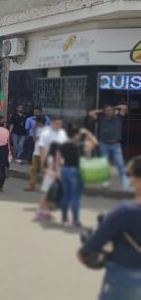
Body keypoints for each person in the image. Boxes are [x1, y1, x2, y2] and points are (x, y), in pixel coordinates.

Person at [78, 155, 141, 300]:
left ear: (137, 179)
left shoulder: (125, 211)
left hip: (124, 275)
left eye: (128, 174)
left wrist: (82, 253)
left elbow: (98, 238)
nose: (128, 180)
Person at [90, 104, 131, 191]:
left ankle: (125, 182)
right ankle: (106, 181)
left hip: (115, 145)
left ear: (112, 110)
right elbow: (91, 113)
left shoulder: (118, 117)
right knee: (105, 164)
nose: (109, 111)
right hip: (104, 144)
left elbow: (124, 107)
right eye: (107, 110)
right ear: (104, 112)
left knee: (120, 164)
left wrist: (114, 107)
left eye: (110, 110)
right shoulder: (101, 119)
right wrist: (102, 110)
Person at [54, 126, 86, 226]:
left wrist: (58, 171)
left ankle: (64, 218)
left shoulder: (62, 146)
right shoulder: (79, 146)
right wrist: (87, 133)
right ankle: (75, 220)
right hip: (75, 171)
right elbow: (95, 143)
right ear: (75, 135)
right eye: (78, 135)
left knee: (65, 195)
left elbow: (57, 160)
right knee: (75, 197)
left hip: (64, 170)